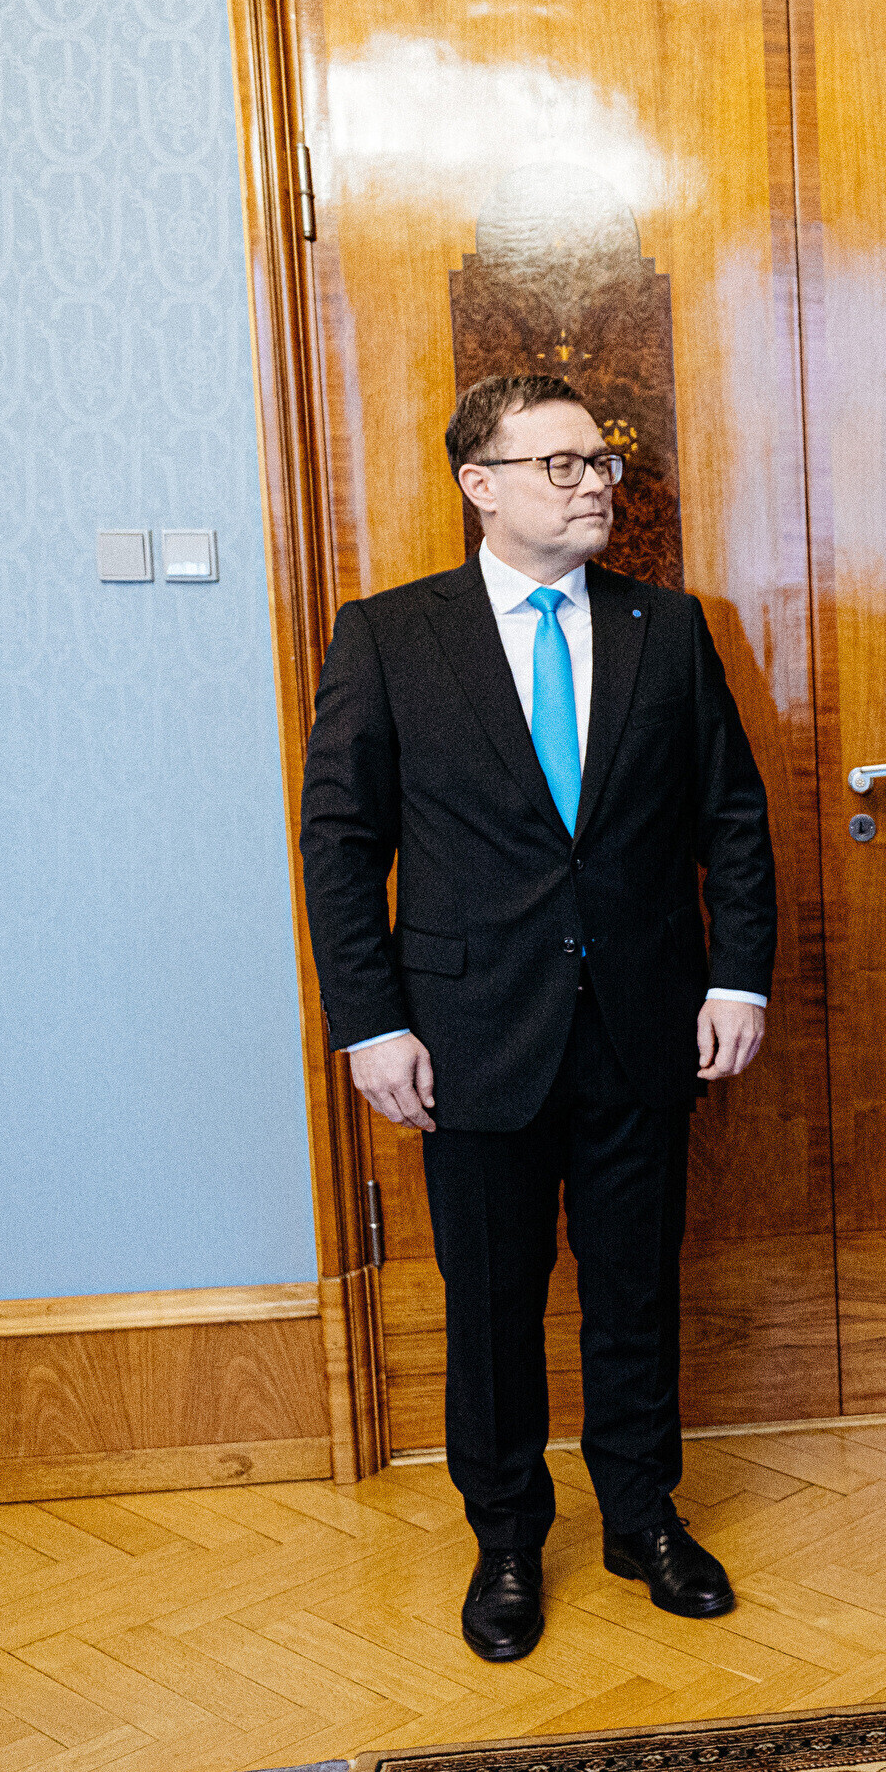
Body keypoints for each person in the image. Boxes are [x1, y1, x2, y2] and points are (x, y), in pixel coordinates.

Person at [300, 373, 776, 1662]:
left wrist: (738, 979)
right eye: (560, 464)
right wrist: (370, 1023)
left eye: (599, 461)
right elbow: (341, 844)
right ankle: (507, 1537)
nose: (594, 483)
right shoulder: (391, 636)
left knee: (635, 1290)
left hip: (644, 1020)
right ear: (482, 484)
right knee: (493, 1305)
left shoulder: (667, 627)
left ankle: (643, 1516)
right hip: (469, 1035)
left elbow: (732, 818)